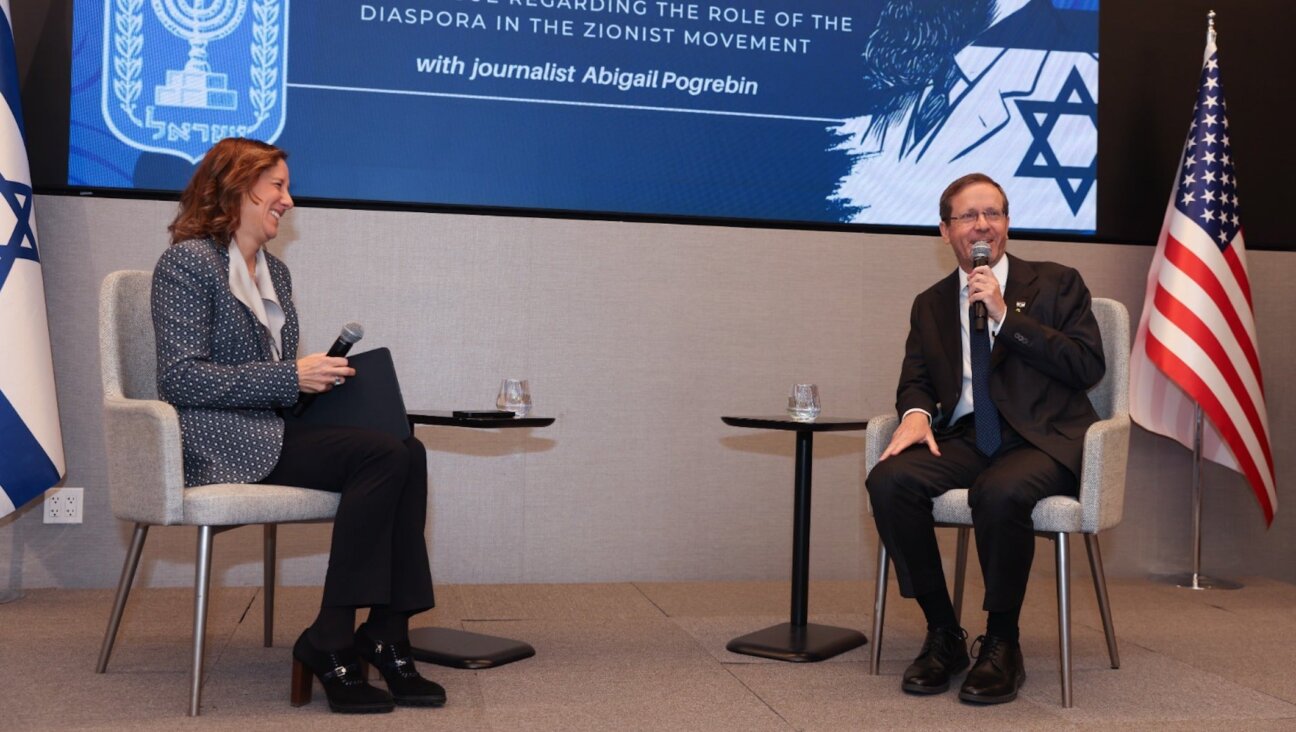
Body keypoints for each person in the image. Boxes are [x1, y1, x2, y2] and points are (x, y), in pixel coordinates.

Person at [151, 138, 444, 714]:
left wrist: (322, 383)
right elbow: (180, 379)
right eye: (278, 186)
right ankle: (331, 637)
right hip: (221, 442)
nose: (289, 198)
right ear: (236, 187)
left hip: (274, 428)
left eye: (287, 186)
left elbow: (277, 378)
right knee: (383, 456)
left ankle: (387, 631)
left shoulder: (276, 274)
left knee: (410, 448)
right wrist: (291, 378)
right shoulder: (187, 262)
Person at [865, 172, 1104, 704]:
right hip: (971, 436)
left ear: (1007, 225)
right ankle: (944, 633)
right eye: (969, 216)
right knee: (889, 481)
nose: (982, 225)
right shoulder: (930, 303)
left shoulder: (1056, 282)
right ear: (946, 230)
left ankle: (1002, 641)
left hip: (1044, 438)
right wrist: (917, 412)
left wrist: (1004, 315)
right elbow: (917, 378)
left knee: (998, 492)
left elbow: (1087, 365)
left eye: (992, 213)